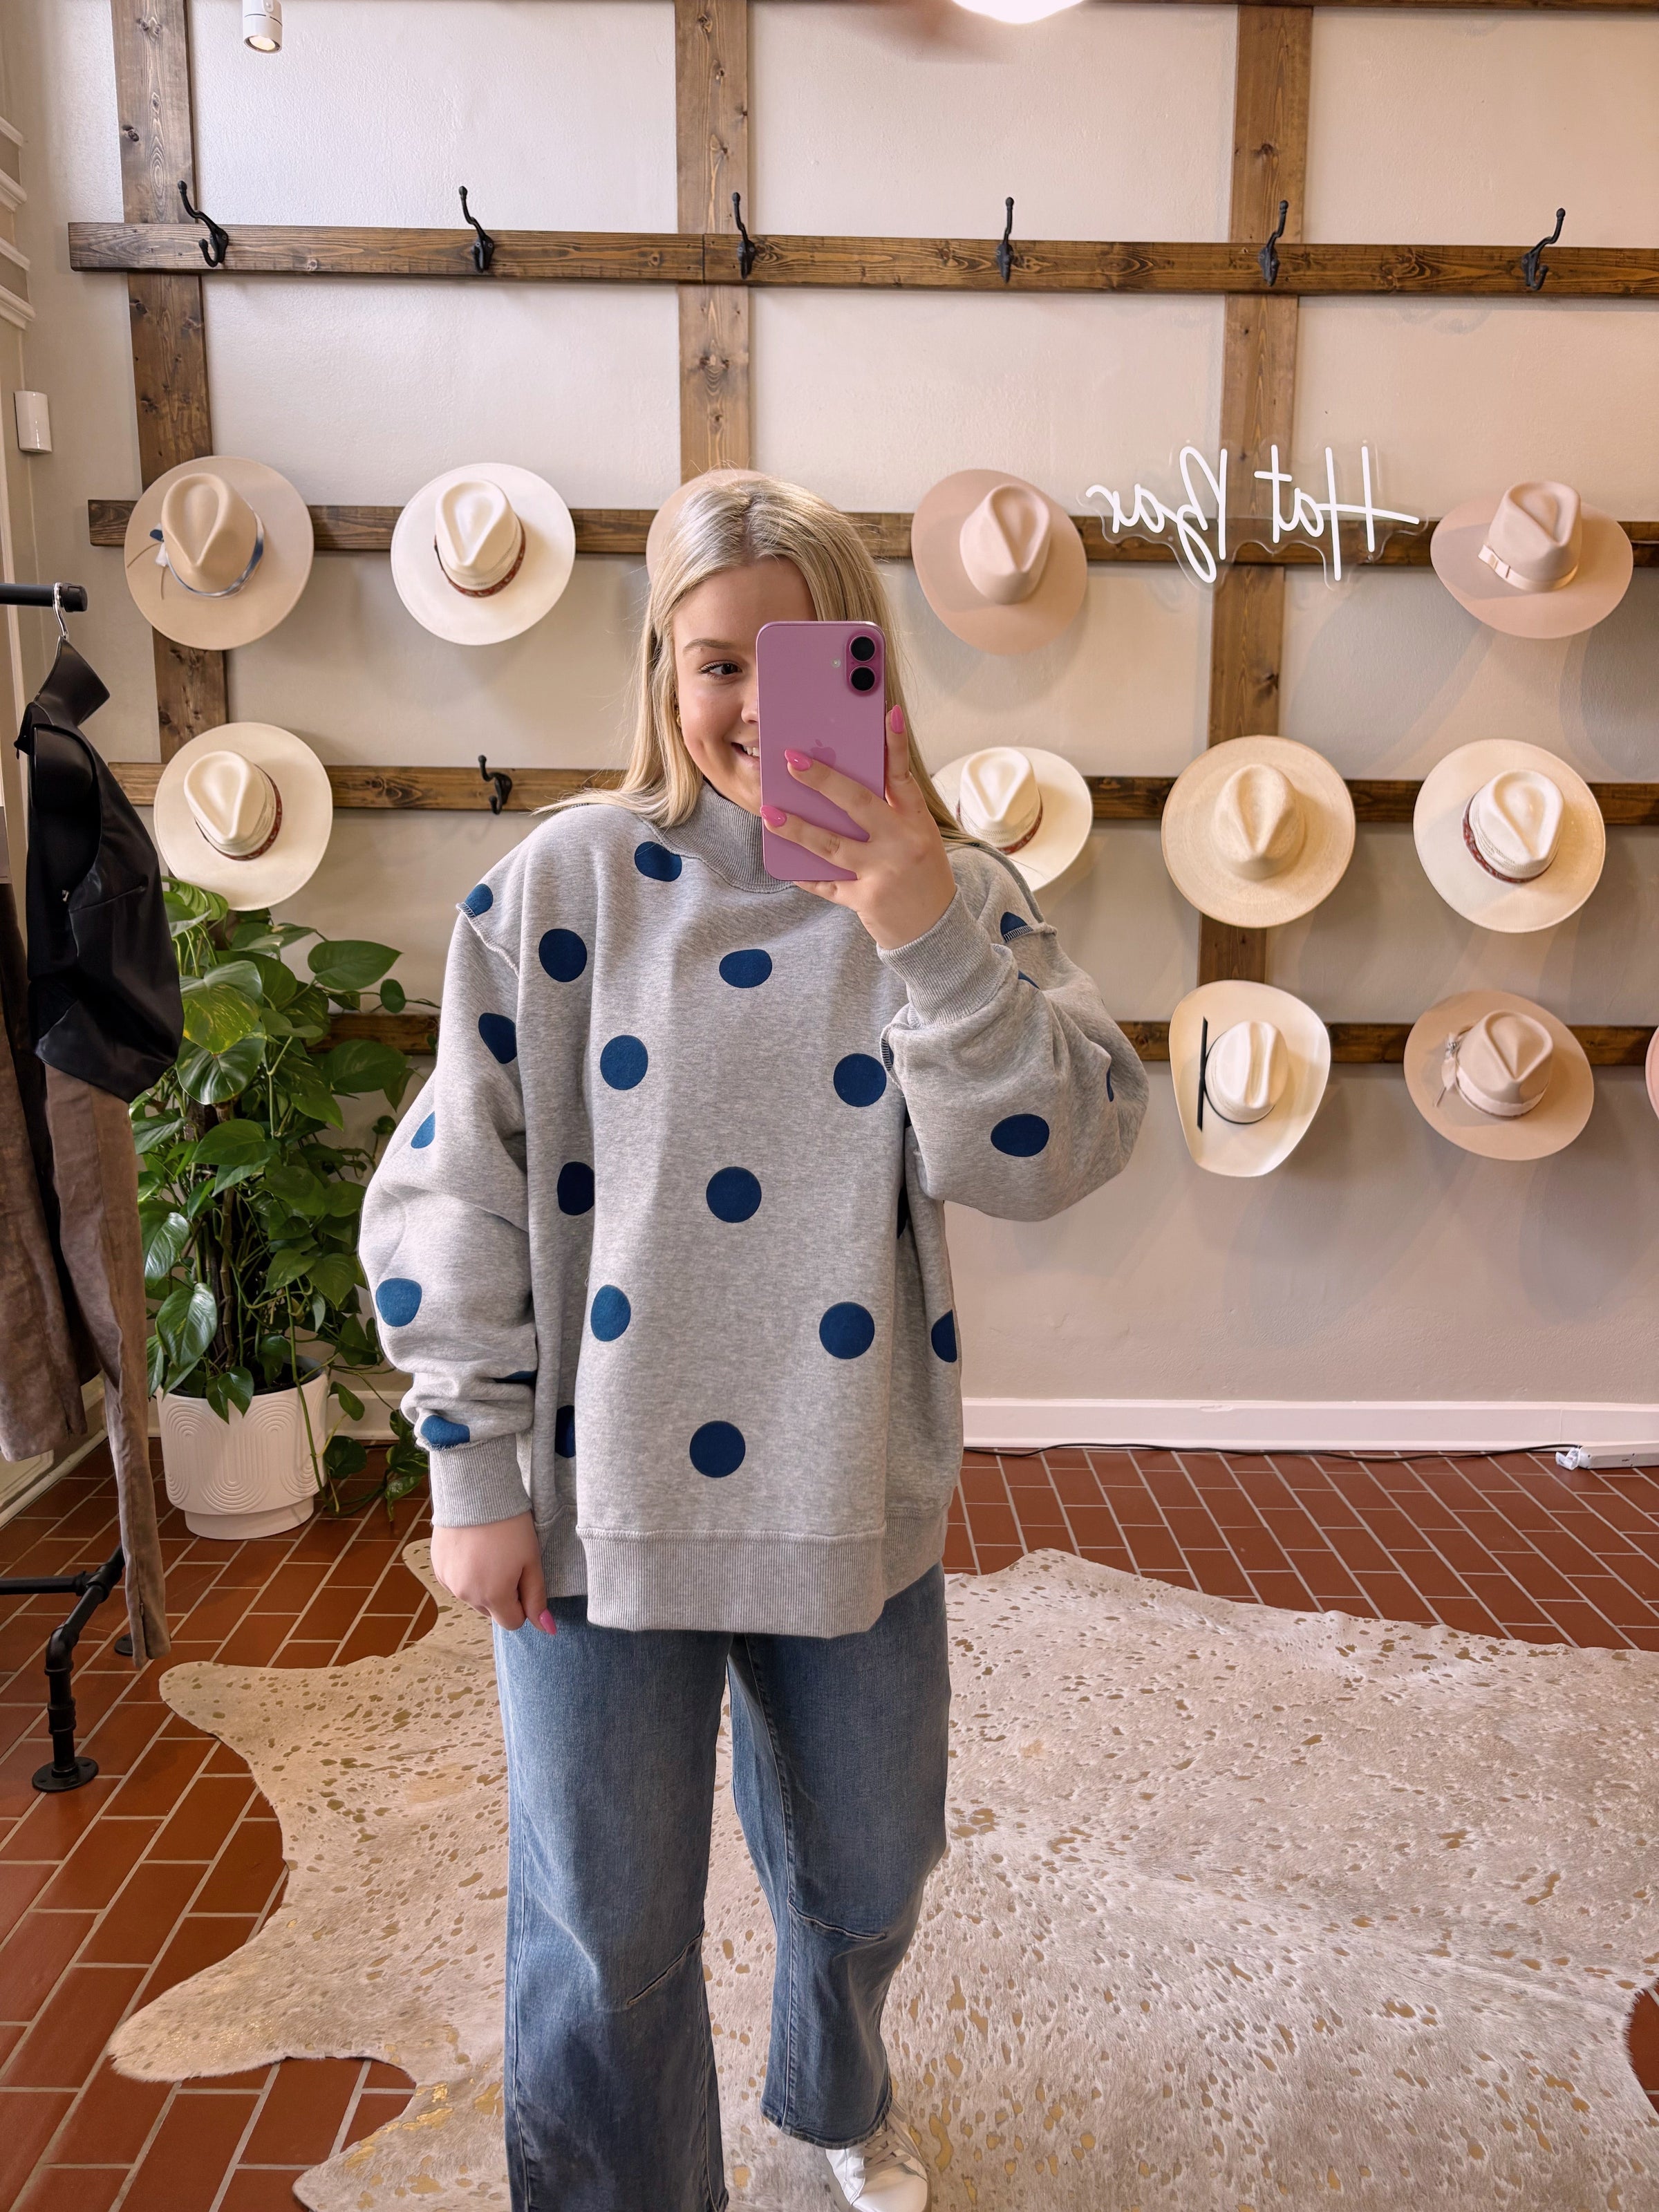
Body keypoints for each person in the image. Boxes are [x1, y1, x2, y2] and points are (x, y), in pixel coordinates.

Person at [360, 474, 1148, 2212]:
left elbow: (1058, 1153)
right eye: (714, 662)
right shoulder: (562, 880)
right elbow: (451, 1182)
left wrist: (923, 928)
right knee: (605, 1923)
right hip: (595, 1501)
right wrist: (466, 1460)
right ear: (663, 667)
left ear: (866, 668)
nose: (745, 706)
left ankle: (833, 2089)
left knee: (870, 1871)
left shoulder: (952, 890)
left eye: (795, 665)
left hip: (844, 1484)